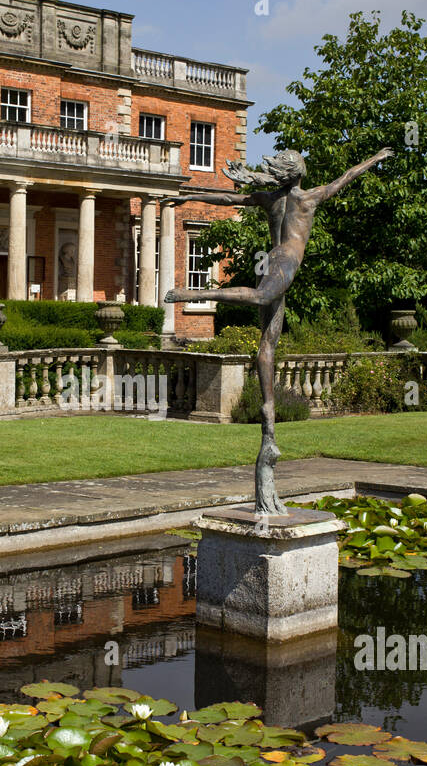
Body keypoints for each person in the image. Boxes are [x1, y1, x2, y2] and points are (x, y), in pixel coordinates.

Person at [164, 147, 394, 512]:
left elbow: (227, 197)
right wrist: (374, 160)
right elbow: (346, 177)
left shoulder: (270, 197)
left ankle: (269, 415)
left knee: (267, 344)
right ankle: (192, 292)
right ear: (300, 173)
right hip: (285, 262)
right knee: (260, 298)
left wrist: (190, 193)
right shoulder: (309, 198)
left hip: (271, 260)